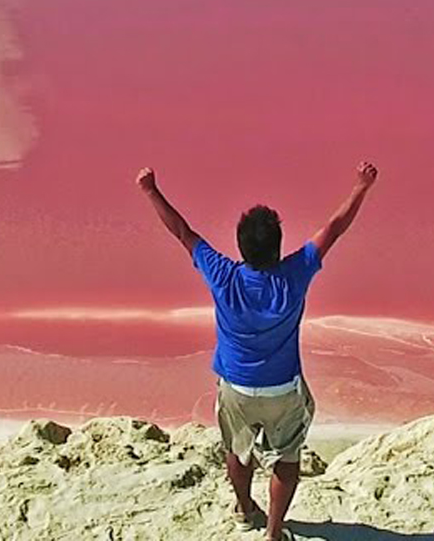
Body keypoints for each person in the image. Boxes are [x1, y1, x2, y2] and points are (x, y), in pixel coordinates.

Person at [136, 161, 379, 541]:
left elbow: (183, 233)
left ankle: (245, 509)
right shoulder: (294, 273)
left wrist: (151, 191)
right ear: (279, 248)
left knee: (237, 449)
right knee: (287, 457)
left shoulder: (224, 275)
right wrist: (361, 187)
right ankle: (273, 531)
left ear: (241, 247)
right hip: (283, 389)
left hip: (236, 386)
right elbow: (334, 228)